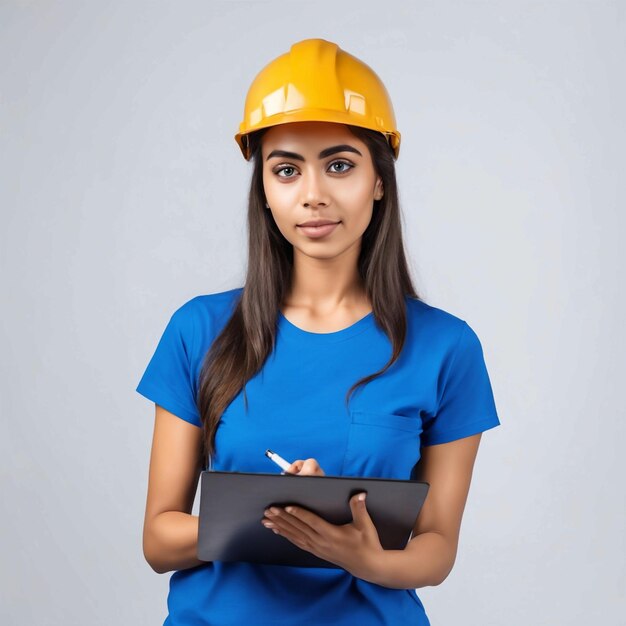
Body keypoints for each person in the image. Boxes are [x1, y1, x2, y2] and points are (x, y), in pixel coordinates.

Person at [136, 37, 501, 626]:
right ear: (264, 189)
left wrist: (358, 554)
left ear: (378, 181)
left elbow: (436, 549)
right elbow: (159, 539)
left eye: (339, 165)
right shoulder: (199, 330)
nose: (313, 195)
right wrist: (277, 516)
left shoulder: (446, 347)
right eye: (286, 169)